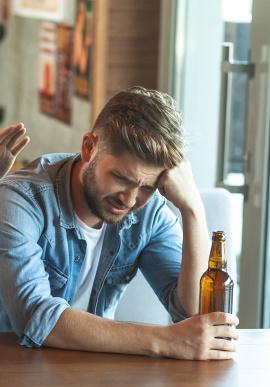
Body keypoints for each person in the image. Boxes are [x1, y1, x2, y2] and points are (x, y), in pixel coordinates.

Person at [0, 87, 239, 360]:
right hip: (15, 369)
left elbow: (193, 313)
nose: (129, 199)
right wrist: (164, 341)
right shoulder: (21, 198)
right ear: (89, 148)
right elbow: (35, 316)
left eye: (148, 187)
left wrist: (192, 209)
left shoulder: (150, 211)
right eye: (121, 178)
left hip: (98, 372)